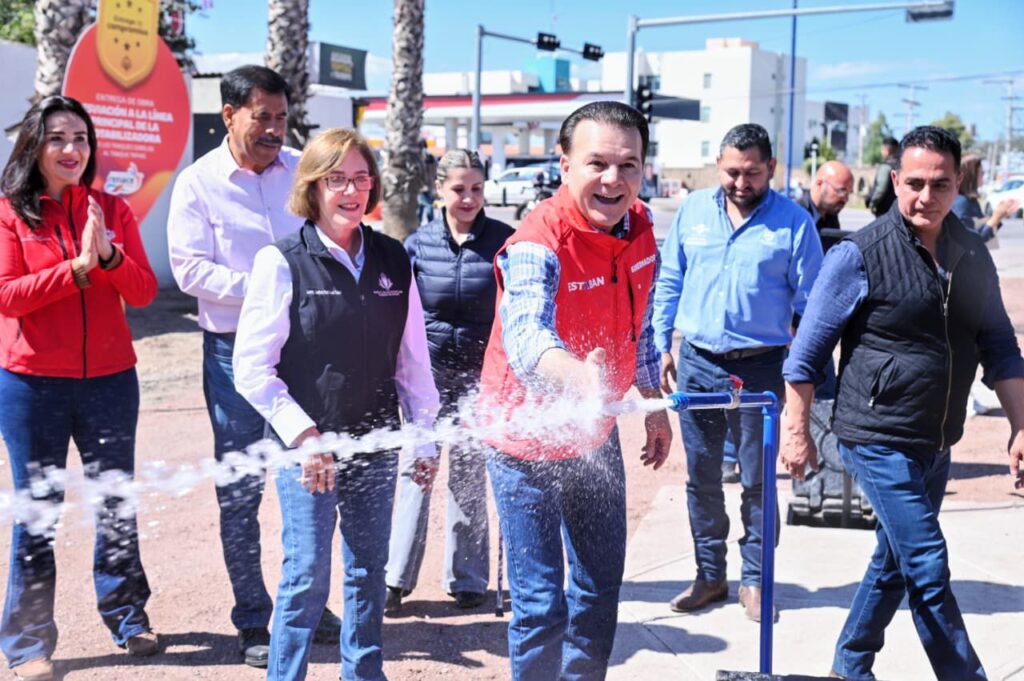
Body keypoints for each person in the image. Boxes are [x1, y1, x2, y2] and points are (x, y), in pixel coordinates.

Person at [781, 126, 1024, 681]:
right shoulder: (859, 254)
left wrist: (1019, 426)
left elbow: (1001, 347)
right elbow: (807, 353)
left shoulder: (970, 253)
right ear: (895, 181)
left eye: (940, 184)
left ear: (957, 183)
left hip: (937, 439)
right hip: (875, 435)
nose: (925, 196)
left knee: (894, 560)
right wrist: (796, 430)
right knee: (927, 565)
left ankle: (850, 664)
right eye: (913, 182)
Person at [233, 127, 440, 681]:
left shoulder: (395, 259)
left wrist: (424, 435)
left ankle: (364, 673)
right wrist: (303, 437)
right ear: (313, 188)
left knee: (368, 571)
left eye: (360, 178)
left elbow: (413, 361)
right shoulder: (281, 262)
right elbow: (251, 367)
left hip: (375, 443)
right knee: (305, 575)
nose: (350, 190)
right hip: (310, 453)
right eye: (336, 179)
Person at [476, 101, 673, 680]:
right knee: (541, 607)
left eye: (629, 165)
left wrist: (652, 406)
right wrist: (577, 377)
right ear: (564, 166)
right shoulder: (538, 240)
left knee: (599, 590)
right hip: (523, 442)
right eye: (598, 164)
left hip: (594, 433)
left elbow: (638, 327)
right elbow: (527, 336)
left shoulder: (640, 230)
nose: (614, 180)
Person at [167, 64, 340, 667]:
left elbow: (329, 240)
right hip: (231, 355)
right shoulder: (197, 184)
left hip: (303, 353)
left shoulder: (302, 171)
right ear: (229, 116)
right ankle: (252, 619)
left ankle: (305, 603)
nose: (273, 129)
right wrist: (270, 287)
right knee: (241, 492)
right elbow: (189, 270)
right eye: (260, 116)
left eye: (281, 117)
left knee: (309, 478)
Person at [0, 95, 160, 681]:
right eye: (59, 138)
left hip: (112, 382)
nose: (72, 149)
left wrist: (110, 253)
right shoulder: (9, 214)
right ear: (35, 147)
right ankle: (26, 642)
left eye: (81, 138)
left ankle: (127, 616)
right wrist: (77, 270)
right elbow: (6, 295)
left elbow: (142, 292)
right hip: (31, 384)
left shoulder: (111, 209)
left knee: (116, 502)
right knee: (38, 511)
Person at [653, 123, 823, 622]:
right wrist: (661, 345)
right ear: (718, 166)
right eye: (731, 172)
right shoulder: (693, 211)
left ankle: (755, 580)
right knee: (702, 478)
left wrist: (800, 373)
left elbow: (812, 307)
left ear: (770, 167)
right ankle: (710, 576)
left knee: (757, 481)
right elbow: (669, 280)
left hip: (762, 369)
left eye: (752, 173)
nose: (741, 182)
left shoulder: (794, 224)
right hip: (699, 362)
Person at [385, 149, 513, 612]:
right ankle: (394, 578)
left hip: (481, 380)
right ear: (439, 189)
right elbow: (399, 314)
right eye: (459, 189)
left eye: (477, 189)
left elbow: (513, 313)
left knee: (468, 474)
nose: (469, 198)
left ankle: (468, 578)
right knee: (415, 470)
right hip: (426, 380)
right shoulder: (417, 245)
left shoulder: (504, 242)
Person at [952, 154, 1019, 243]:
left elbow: (982, 234)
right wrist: (995, 218)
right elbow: (972, 243)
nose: (983, 173)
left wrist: (999, 215)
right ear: (971, 174)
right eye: (981, 171)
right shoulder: (961, 202)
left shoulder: (970, 200)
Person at [798, 160, 854, 250]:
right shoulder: (797, 216)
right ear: (820, 183)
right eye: (841, 191)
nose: (846, 199)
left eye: (848, 193)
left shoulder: (831, 215)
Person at [866, 137, 899, 217]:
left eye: (882, 149)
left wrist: (873, 203)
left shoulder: (886, 167)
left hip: (884, 210)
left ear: (887, 150)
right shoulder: (902, 166)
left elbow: (881, 188)